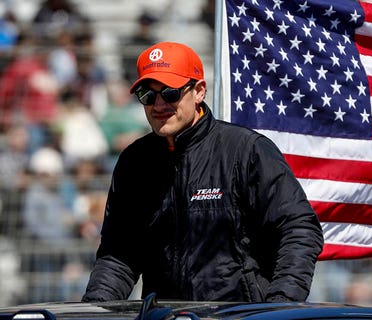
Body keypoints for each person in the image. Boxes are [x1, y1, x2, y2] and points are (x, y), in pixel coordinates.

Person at [82, 42, 324, 302]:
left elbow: (300, 229)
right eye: (147, 95)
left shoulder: (246, 150)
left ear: (198, 91)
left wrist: (280, 308)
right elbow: (119, 255)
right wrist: (93, 311)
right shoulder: (134, 161)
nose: (159, 104)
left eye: (170, 92)